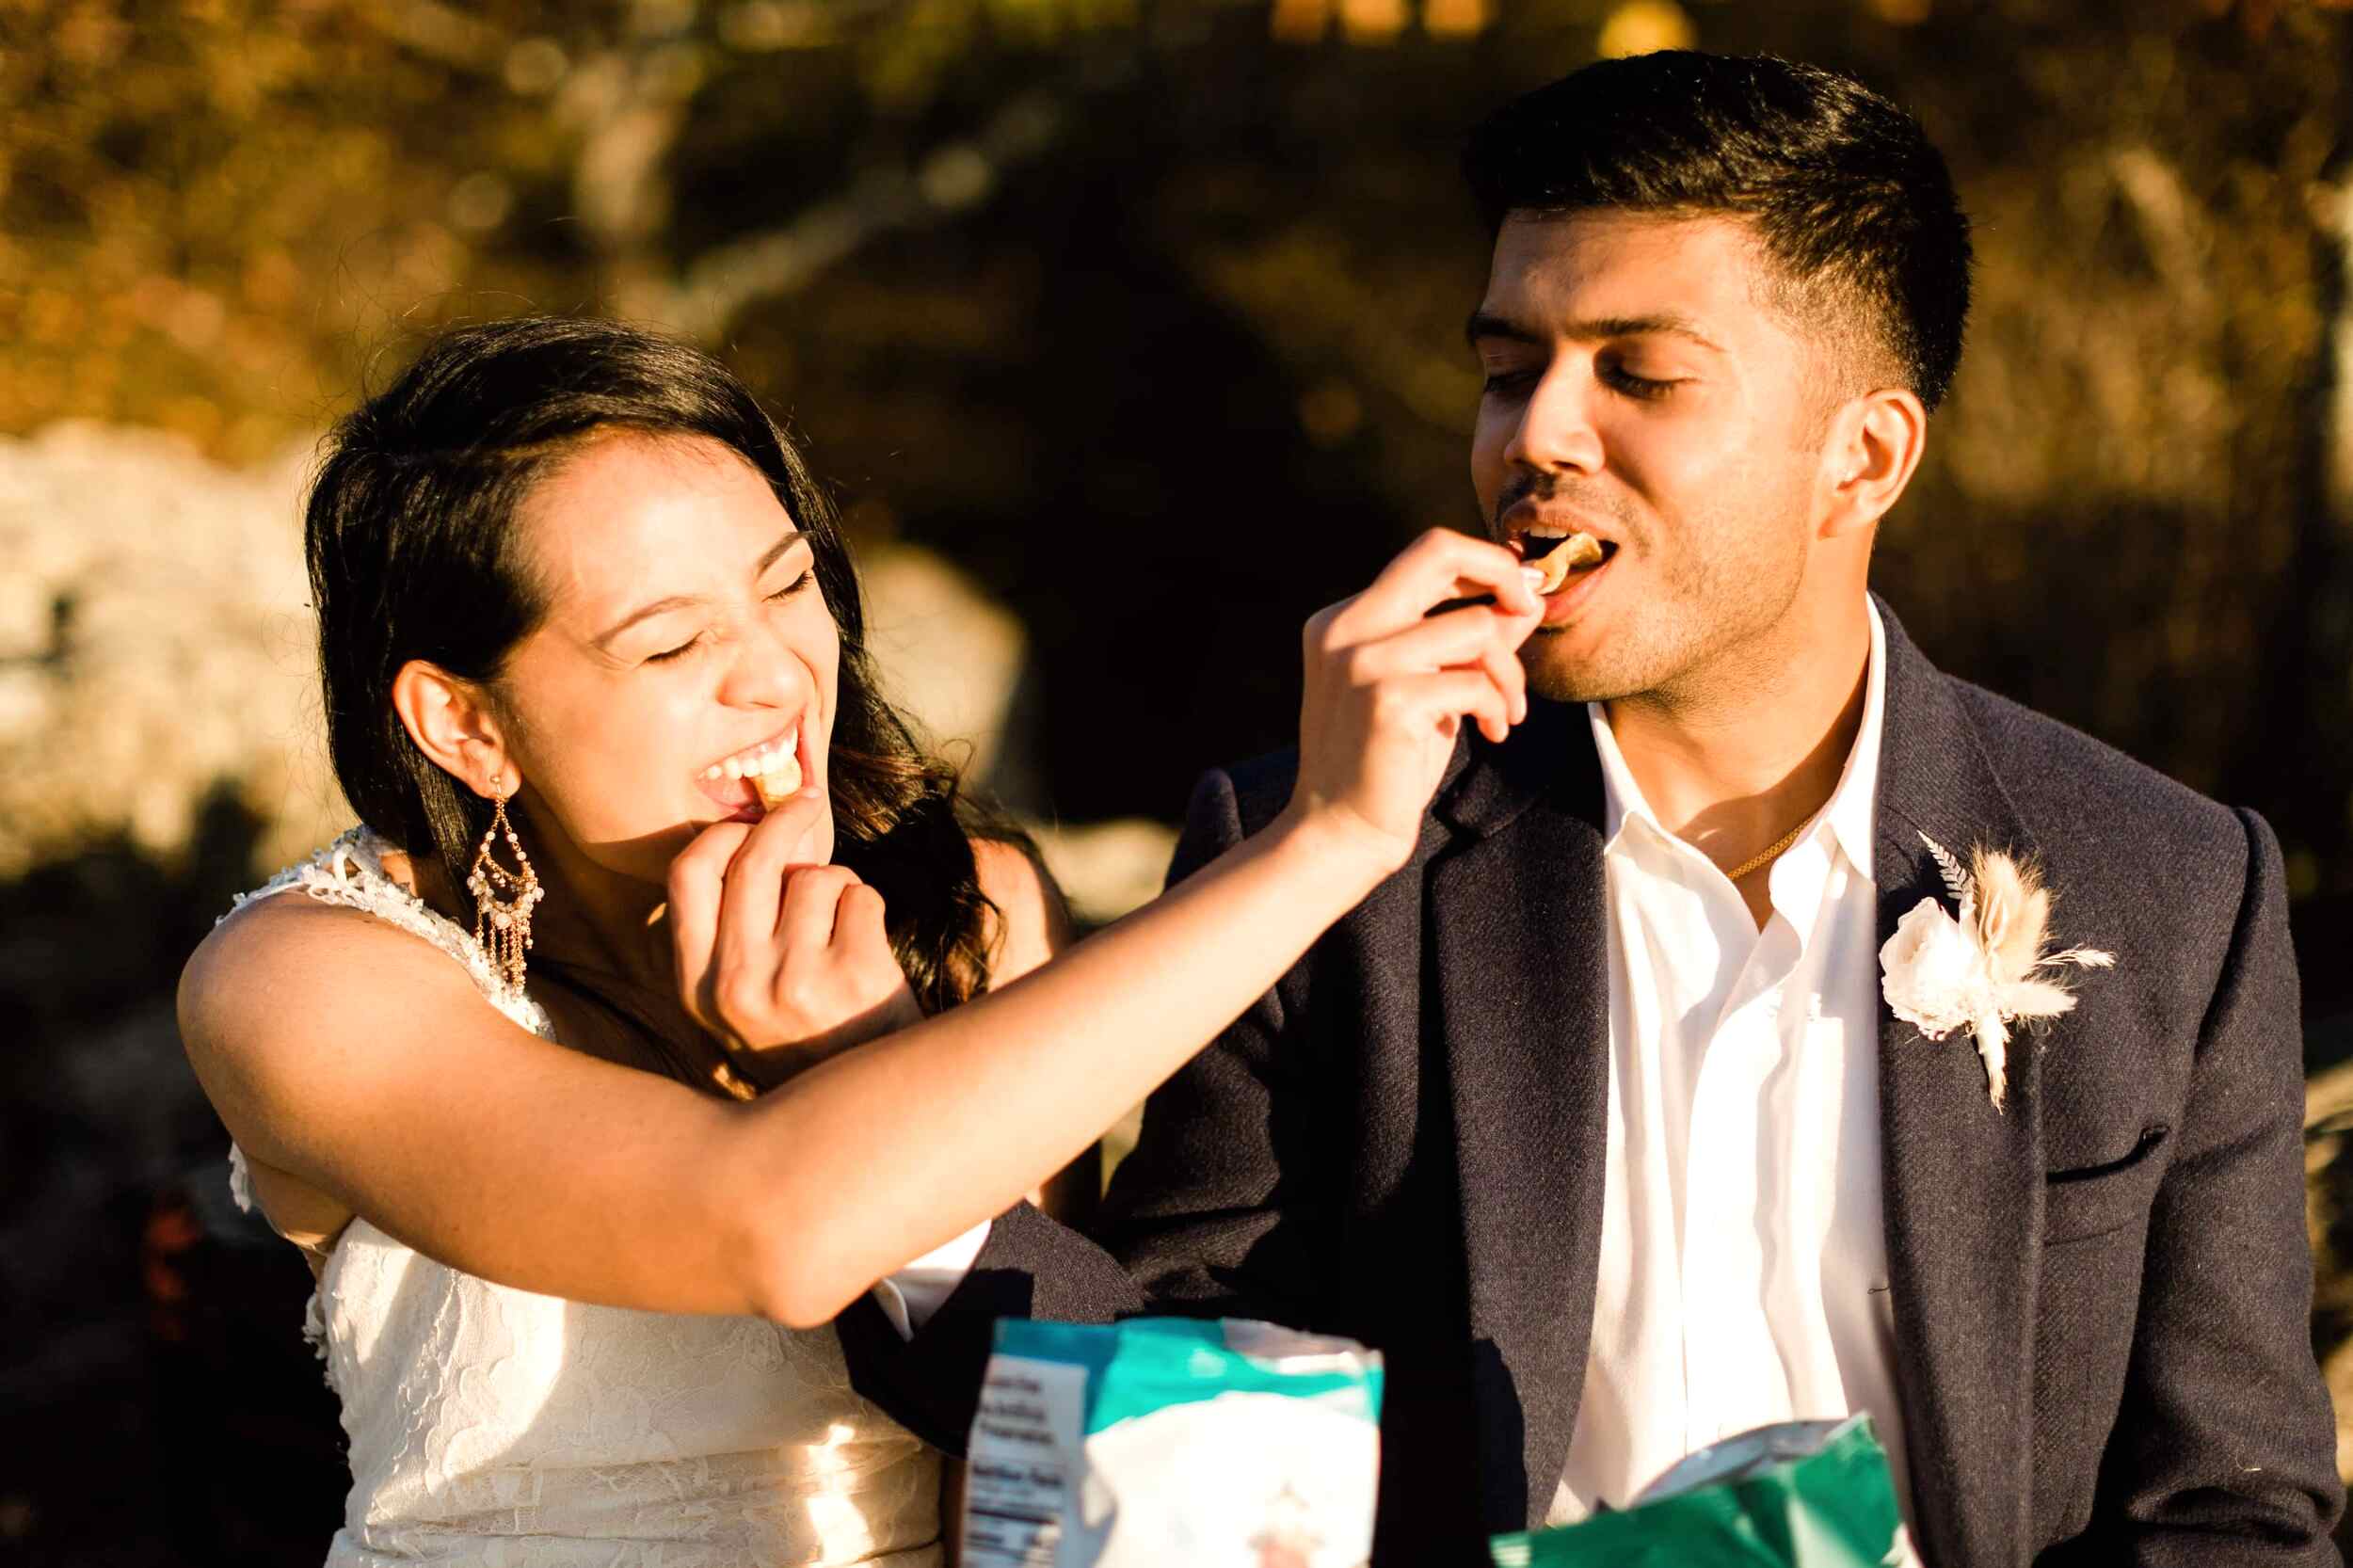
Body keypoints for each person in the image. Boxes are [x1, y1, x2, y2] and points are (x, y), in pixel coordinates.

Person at [840, 52, 2345, 1565]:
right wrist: (874, 1166)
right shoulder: (1310, 851)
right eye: (1509, 368)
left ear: (1864, 456)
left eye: (1639, 374)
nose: (1532, 439)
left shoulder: (2174, 886)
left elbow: (2229, 1509)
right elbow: (1183, 1385)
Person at [174, 315, 1545, 1566]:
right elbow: (768, 1224)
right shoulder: (314, 981)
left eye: (788, 586)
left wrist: (884, 1048)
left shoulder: (974, 912)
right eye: (668, 645)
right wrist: (1325, 840)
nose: (776, 673)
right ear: (463, 725)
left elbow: (1028, 1437)